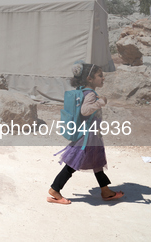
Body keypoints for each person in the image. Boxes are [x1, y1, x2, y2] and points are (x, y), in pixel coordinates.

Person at [47, 62, 124, 204]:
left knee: (97, 162)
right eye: (99, 76)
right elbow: (85, 111)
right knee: (72, 164)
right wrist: (100, 102)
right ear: (89, 79)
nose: (103, 78)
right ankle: (54, 189)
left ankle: (105, 191)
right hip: (87, 138)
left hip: (91, 136)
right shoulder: (90, 94)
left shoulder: (83, 92)